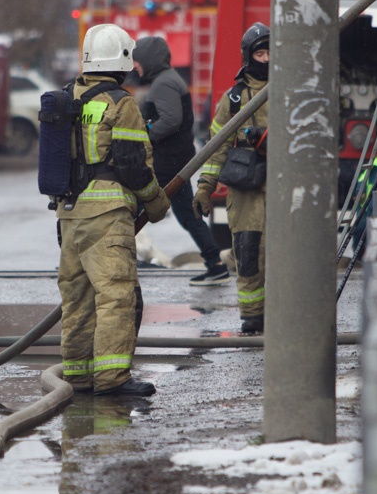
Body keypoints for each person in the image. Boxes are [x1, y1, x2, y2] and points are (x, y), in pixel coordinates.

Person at [55, 24, 170, 396]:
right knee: (116, 295)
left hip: (68, 213)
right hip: (107, 213)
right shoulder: (121, 103)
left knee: (77, 298)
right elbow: (134, 164)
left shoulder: (67, 98)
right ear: (122, 60)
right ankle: (111, 379)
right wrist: (156, 202)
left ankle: (77, 376)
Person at [131, 35, 228, 285]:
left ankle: (113, 257)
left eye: (137, 60)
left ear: (149, 59)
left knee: (135, 208)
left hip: (167, 162)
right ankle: (215, 264)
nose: (135, 66)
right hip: (176, 160)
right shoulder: (167, 80)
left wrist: (147, 135)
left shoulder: (163, 84)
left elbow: (171, 120)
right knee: (187, 214)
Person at [195, 23, 269, 335]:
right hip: (246, 194)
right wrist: (204, 188)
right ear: (248, 56)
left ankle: (286, 316)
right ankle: (252, 318)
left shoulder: (292, 89)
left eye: (270, 53)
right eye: (260, 53)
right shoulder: (233, 100)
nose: (266, 59)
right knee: (248, 256)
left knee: (287, 259)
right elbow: (216, 149)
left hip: (284, 189)